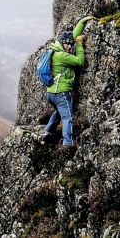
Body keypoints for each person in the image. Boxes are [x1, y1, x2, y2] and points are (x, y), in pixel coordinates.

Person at [40, 15, 95, 147]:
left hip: (51, 93)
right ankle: (68, 144)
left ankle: (46, 134)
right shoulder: (62, 56)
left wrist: (82, 22)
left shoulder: (54, 49)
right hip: (61, 93)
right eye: (68, 45)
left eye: (72, 45)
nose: (70, 47)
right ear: (63, 44)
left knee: (58, 112)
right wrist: (80, 45)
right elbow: (79, 62)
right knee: (67, 117)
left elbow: (71, 37)